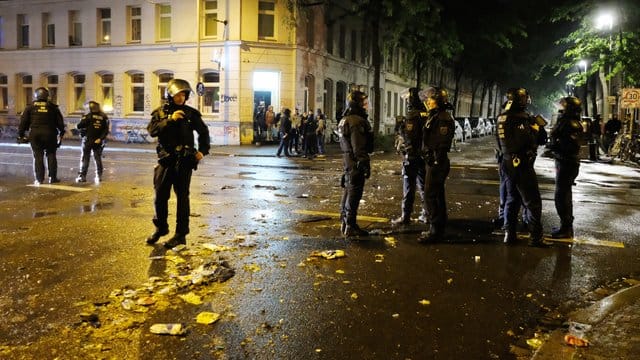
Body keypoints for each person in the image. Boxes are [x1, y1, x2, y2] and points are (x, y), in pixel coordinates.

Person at [146, 79, 210, 249]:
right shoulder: (160, 113)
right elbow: (152, 131)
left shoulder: (190, 114)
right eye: (178, 94)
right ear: (170, 95)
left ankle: (181, 235)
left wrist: (202, 151)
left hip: (184, 161)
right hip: (166, 160)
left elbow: (204, 132)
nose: (181, 98)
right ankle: (161, 228)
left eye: (184, 95)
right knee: (160, 197)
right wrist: (170, 120)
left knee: (183, 199)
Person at [496, 88, 548, 247]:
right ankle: (536, 237)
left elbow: (499, 142)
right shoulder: (520, 119)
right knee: (532, 201)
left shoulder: (502, 117)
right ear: (521, 100)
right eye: (525, 98)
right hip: (521, 164)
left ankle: (509, 233)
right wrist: (536, 130)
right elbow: (528, 141)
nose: (527, 101)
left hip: (507, 162)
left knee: (512, 199)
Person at [416, 87, 455, 243]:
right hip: (433, 160)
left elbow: (442, 142)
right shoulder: (436, 116)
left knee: (430, 195)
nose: (428, 101)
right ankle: (439, 225)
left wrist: (435, 158)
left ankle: (435, 231)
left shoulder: (443, 118)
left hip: (437, 161)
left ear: (438, 101)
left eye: (431, 99)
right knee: (436, 194)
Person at [339, 90, 374, 238]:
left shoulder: (345, 119)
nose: (366, 106)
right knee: (354, 192)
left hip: (348, 160)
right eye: (363, 103)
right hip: (355, 161)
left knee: (348, 190)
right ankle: (350, 225)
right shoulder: (356, 121)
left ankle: (345, 221)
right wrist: (364, 163)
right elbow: (358, 146)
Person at [548, 96, 583, 238]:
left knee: (561, 196)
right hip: (565, 161)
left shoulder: (570, 124)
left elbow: (569, 146)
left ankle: (566, 227)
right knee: (564, 195)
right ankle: (566, 225)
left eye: (564, 106)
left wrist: (554, 146)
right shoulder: (569, 122)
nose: (561, 108)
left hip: (566, 162)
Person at [391, 88, 428, 226]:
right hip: (423, 156)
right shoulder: (426, 114)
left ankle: (405, 216)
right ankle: (427, 214)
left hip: (412, 157)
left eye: (408, 99)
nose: (406, 101)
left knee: (409, 187)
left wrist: (401, 129)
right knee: (424, 187)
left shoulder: (412, 116)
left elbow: (409, 138)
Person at [17, 87, 66, 185]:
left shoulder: (30, 107)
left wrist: (21, 135)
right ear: (47, 96)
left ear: (36, 95)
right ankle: (53, 178)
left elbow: (23, 122)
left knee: (38, 157)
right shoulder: (53, 107)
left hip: (35, 135)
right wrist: (61, 133)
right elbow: (60, 123)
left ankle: (39, 179)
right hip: (50, 134)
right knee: (51, 155)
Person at [75, 101, 110, 183]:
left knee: (85, 158)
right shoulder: (104, 117)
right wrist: (100, 139)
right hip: (98, 141)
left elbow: (79, 125)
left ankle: (82, 176)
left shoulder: (88, 116)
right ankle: (99, 176)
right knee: (97, 158)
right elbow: (106, 130)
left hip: (87, 140)